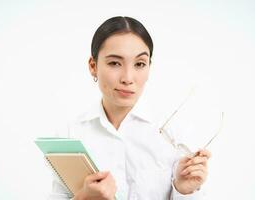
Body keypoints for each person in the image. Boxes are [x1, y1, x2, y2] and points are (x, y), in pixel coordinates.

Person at [48, 16, 211, 200]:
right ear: (93, 66)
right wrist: (84, 197)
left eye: (139, 64)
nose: (127, 78)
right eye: (114, 63)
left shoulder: (175, 132)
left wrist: (183, 190)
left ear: (149, 67)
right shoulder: (70, 134)